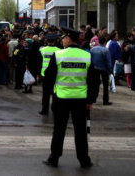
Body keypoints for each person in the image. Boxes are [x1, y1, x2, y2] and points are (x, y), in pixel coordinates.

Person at [42, 27, 95, 168]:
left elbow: (48, 76)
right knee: (80, 131)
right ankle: (84, 160)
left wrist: (49, 93)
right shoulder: (87, 56)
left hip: (61, 98)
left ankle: (54, 158)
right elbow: (93, 81)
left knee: (59, 129)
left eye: (63, 38)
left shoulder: (59, 55)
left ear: (68, 39)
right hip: (80, 99)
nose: (62, 40)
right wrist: (90, 100)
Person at [39, 33, 61, 115]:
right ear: (55, 41)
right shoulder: (59, 50)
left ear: (47, 41)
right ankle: (54, 109)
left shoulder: (42, 50)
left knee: (45, 94)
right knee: (55, 93)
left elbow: (39, 63)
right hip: (55, 75)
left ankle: (45, 110)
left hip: (45, 75)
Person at [90, 37, 113, 105]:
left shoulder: (93, 49)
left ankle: (94, 98)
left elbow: (90, 58)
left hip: (94, 68)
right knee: (105, 85)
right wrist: (110, 70)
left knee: (95, 84)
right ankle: (105, 100)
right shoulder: (106, 50)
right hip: (104, 69)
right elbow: (108, 62)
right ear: (105, 42)